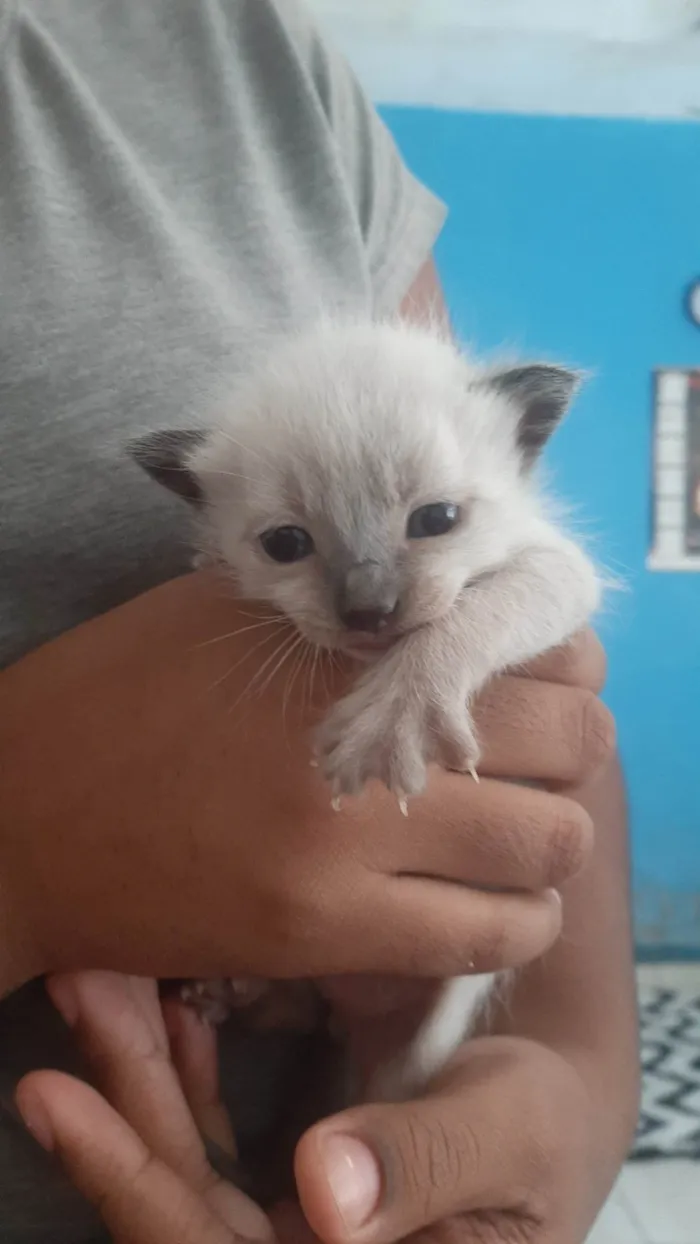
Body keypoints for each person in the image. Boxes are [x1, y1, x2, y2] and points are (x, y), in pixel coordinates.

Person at [0, 2, 638, 1241]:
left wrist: (568, 1073)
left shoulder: (248, 48)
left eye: (433, 523)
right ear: (200, 505)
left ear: (525, 436)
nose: (367, 600)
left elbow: (556, 600)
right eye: (287, 547)